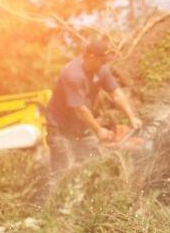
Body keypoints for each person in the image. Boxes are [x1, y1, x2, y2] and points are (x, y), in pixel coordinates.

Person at [46, 39, 142, 173]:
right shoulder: (73, 75)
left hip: (80, 122)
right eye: (103, 60)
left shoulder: (101, 69)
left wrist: (131, 116)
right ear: (92, 57)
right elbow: (79, 109)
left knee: (94, 162)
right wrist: (98, 130)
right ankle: (56, 190)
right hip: (59, 124)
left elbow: (115, 93)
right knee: (63, 166)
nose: (105, 63)